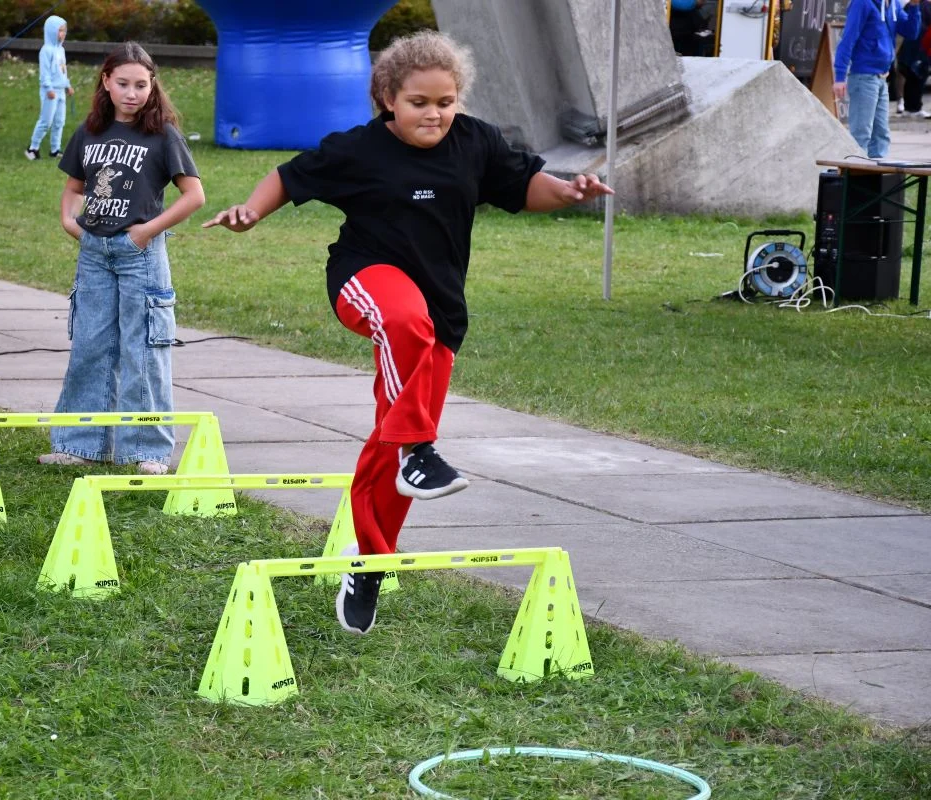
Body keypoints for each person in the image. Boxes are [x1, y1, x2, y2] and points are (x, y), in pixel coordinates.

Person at [202, 31, 611, 636]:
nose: (436, 113)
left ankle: (367, 561)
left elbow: (526, 187)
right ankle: (420, 451)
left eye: (446, 101)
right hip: (366, 282)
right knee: (404, 328)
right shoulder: (360, 150)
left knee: (388, 438)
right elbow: (289, 178)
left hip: (440, 311)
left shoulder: (475, 142)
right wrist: (250, 211)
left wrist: (570, 191)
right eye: (420, 102)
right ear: (388, 98)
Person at [39, 43, 205, 472]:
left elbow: (194, 196)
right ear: (106, 82)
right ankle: (79, 445)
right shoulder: (90, 132)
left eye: (142, 85)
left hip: (141, 256)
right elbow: (74, 187)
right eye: (124, 84)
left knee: (144, 350)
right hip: (94, 254)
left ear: (153, 87)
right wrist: (68, 222)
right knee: (91, 346)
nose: (133, 93)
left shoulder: (163, 134)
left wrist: (147, 232)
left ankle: (146, 451)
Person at [834, 0, 922, 158]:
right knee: (861, 134)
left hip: (882, 77)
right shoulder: (862, 3)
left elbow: (911, 32)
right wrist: (840, 76)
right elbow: (848, 38)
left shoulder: (892, 4)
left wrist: (915, 7)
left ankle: (876, 178)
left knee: (881, 135)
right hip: (863, 76)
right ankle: (855, 176)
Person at [25, 15, 74, 160]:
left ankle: (55, 149)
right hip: (50, 92)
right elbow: (45, 73)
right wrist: (48, 89)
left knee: (59, 121)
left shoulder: (61, 50)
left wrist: (67, 85)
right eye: (60, 31)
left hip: (61, 91)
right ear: (51, 31)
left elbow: (63, 71)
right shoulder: (46, 51)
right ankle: (32, 148)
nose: (63, 34)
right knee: (46, 121)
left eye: (64, 31)